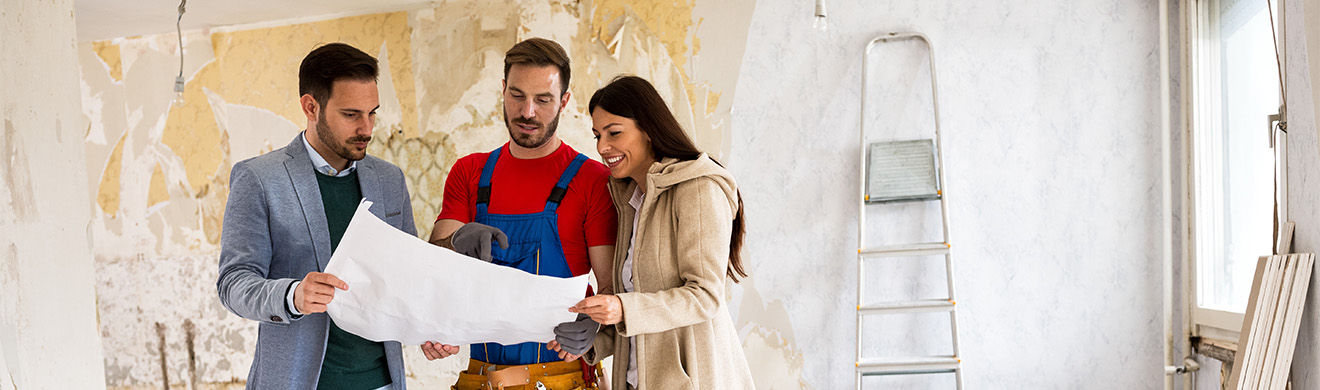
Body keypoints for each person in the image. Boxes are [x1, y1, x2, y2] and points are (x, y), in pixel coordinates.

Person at [421, 38, 617, 390]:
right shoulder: (470, 173)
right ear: (503, 90)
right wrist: (454, 241)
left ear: (565, 102)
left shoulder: (593, 181)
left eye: (543, 100)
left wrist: (597, 326)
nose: (527, 112)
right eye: (517, 95)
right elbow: (435, 268)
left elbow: (611, 286)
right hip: (480, 378)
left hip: (564, 380)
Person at [216, 42, 415, 390]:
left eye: (373, 113)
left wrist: (429, 328)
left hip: (384, 382)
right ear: (311, 107)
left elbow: (409, 277)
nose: (367, 129)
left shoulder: (389, 179)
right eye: (351, 114)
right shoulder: (259, 179)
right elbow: (233, 284)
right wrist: (293, 295)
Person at [551, 75, 755, 389]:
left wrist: (621, 308)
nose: (603, 147)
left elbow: (705, 296)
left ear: (647, 129)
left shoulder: (698, 188)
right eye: (597, 135)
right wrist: (592, 339)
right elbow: (641, 306)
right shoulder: (629, 200)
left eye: (614, 133)